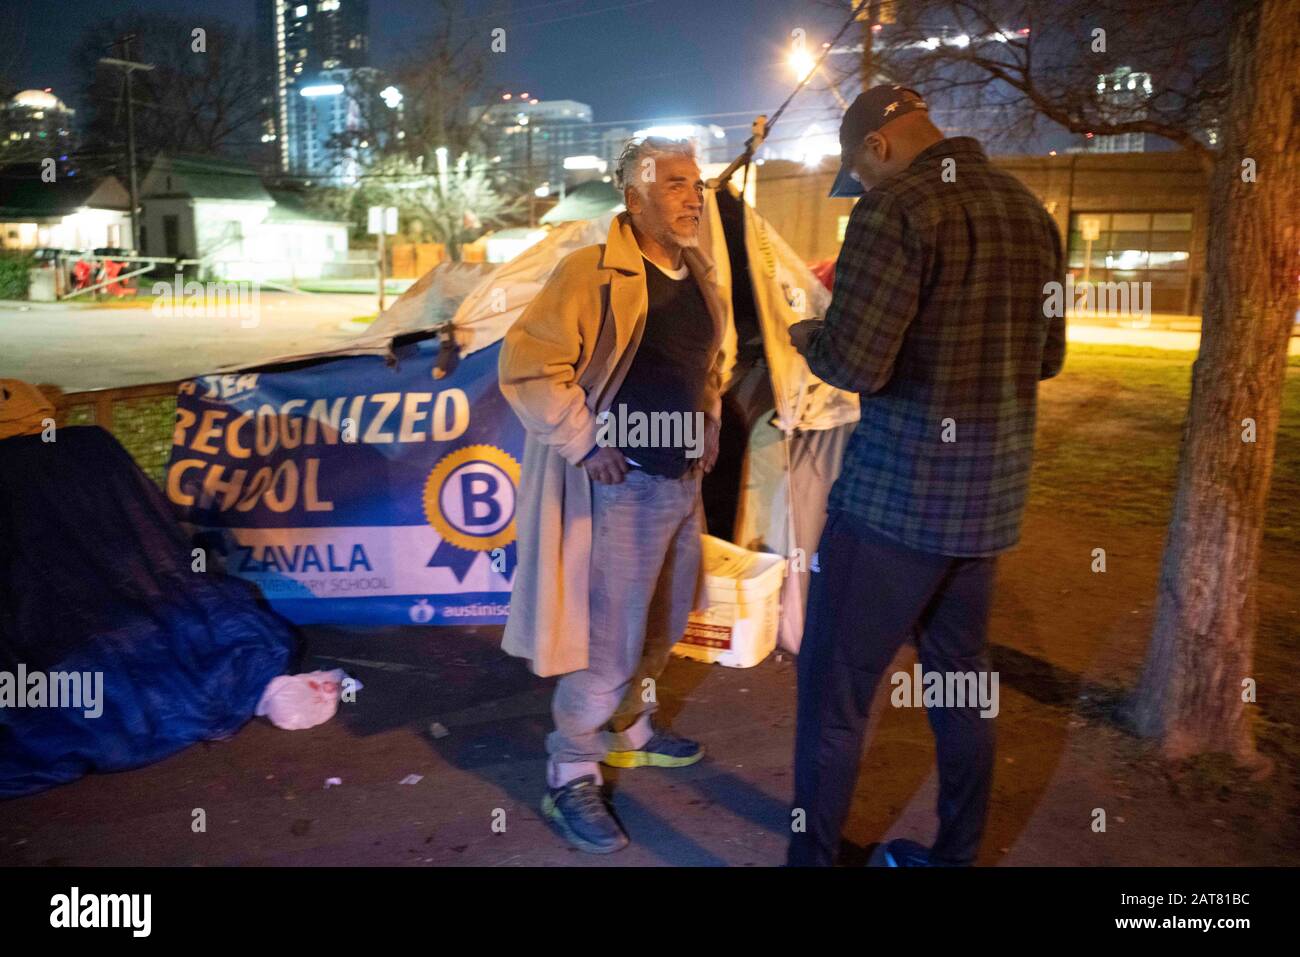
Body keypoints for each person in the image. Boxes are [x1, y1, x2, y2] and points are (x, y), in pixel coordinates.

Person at [786, 86, 1067, 866]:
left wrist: (808, 328)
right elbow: (1049, 356)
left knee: (836, 695)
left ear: (876, 147)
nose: (860, 188)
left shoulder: (895, 209)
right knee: (960, 683)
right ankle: (956, 855)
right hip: (987, 507)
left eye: (856, 172)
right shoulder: (1029, 212)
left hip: (894, 506)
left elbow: (854, 362)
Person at [498, 136, 729, 854]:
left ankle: (631, 730)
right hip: (621, 487)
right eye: (677, 185)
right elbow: (532, 366)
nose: (695, 196)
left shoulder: (700, 273)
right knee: (606, 647)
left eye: (698, 183)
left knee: (663, 623)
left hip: (682, 485)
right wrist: (584, 443)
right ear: (635, 199)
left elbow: (709, 363)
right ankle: (570, 768)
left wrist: (711, 421)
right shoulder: (589, 272)